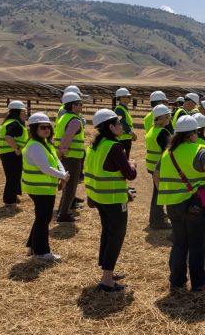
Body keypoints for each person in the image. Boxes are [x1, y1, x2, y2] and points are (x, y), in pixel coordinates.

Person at [155, 115, 205, 292]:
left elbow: (156, 175)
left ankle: (176, 281)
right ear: (194, 134)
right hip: (197, 204)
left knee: (179, 242)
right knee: (196, 243)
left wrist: (167, 192)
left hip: (173, 205)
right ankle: (198, 281)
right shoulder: (200, 150)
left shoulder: (167, 153)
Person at [84, 109, 136, 292]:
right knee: (116, 235)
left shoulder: (94, 146)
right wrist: (133, 165)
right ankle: (106, 279)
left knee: (107, 232)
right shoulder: (114, 147)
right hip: (113, 199)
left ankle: (107, 269)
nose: (121, 126)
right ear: (111, 127)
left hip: (99, 197)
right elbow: (130, 174)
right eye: (119, 124)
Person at [22, 113, 68, 261]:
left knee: (41, 217)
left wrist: (63, 174)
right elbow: (45, 168)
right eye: (43, 127)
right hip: (39, 189)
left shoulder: (45, 143)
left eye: (48, 127)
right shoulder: (35, 146)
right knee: (43, 218)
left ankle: (32, 246)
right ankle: (42, 252)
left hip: (44, 188)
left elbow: (56, 160)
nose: (47, 130)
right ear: (34, 129)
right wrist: (62, 176)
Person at [54, 91, 85, 222]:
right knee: (71, 187)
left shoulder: (63, 117)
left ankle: (62, 211)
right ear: (73, 106)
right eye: (80, 104)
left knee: (66, 185)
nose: (82, 106)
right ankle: (63, 214)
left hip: (66, 157)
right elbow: (67, 139)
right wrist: (61, 154)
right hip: (71, 158)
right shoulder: (75, 121)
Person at [145, 104, 173, 229]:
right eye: (168, 117)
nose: (169, 119)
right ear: (162, 118)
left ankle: (155, 218)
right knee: (159, 194)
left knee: (157, 192)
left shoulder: (152, 130)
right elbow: (168, 151)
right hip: (160, 168)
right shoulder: (163, 132)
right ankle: (157, 221)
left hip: (152, 166)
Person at [0, 100, 29, 208]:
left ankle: (14, 196)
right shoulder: (14, 124)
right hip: (11, 154)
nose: (25, 114)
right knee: (13, 177)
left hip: (7, 154)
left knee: (14, 176)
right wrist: (16, 148)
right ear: (18, 112)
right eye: (24, 112)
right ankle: (9, 201)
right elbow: (8, 137)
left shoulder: (8, 122)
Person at [114, 87, 138, 158]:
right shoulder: (119, 109)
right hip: (122, 139)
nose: (130, 98)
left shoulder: (123, 109)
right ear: (122, 98)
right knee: (123, 159)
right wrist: (131, 133)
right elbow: (122, 122)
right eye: (128, 97)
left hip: (126, 138)